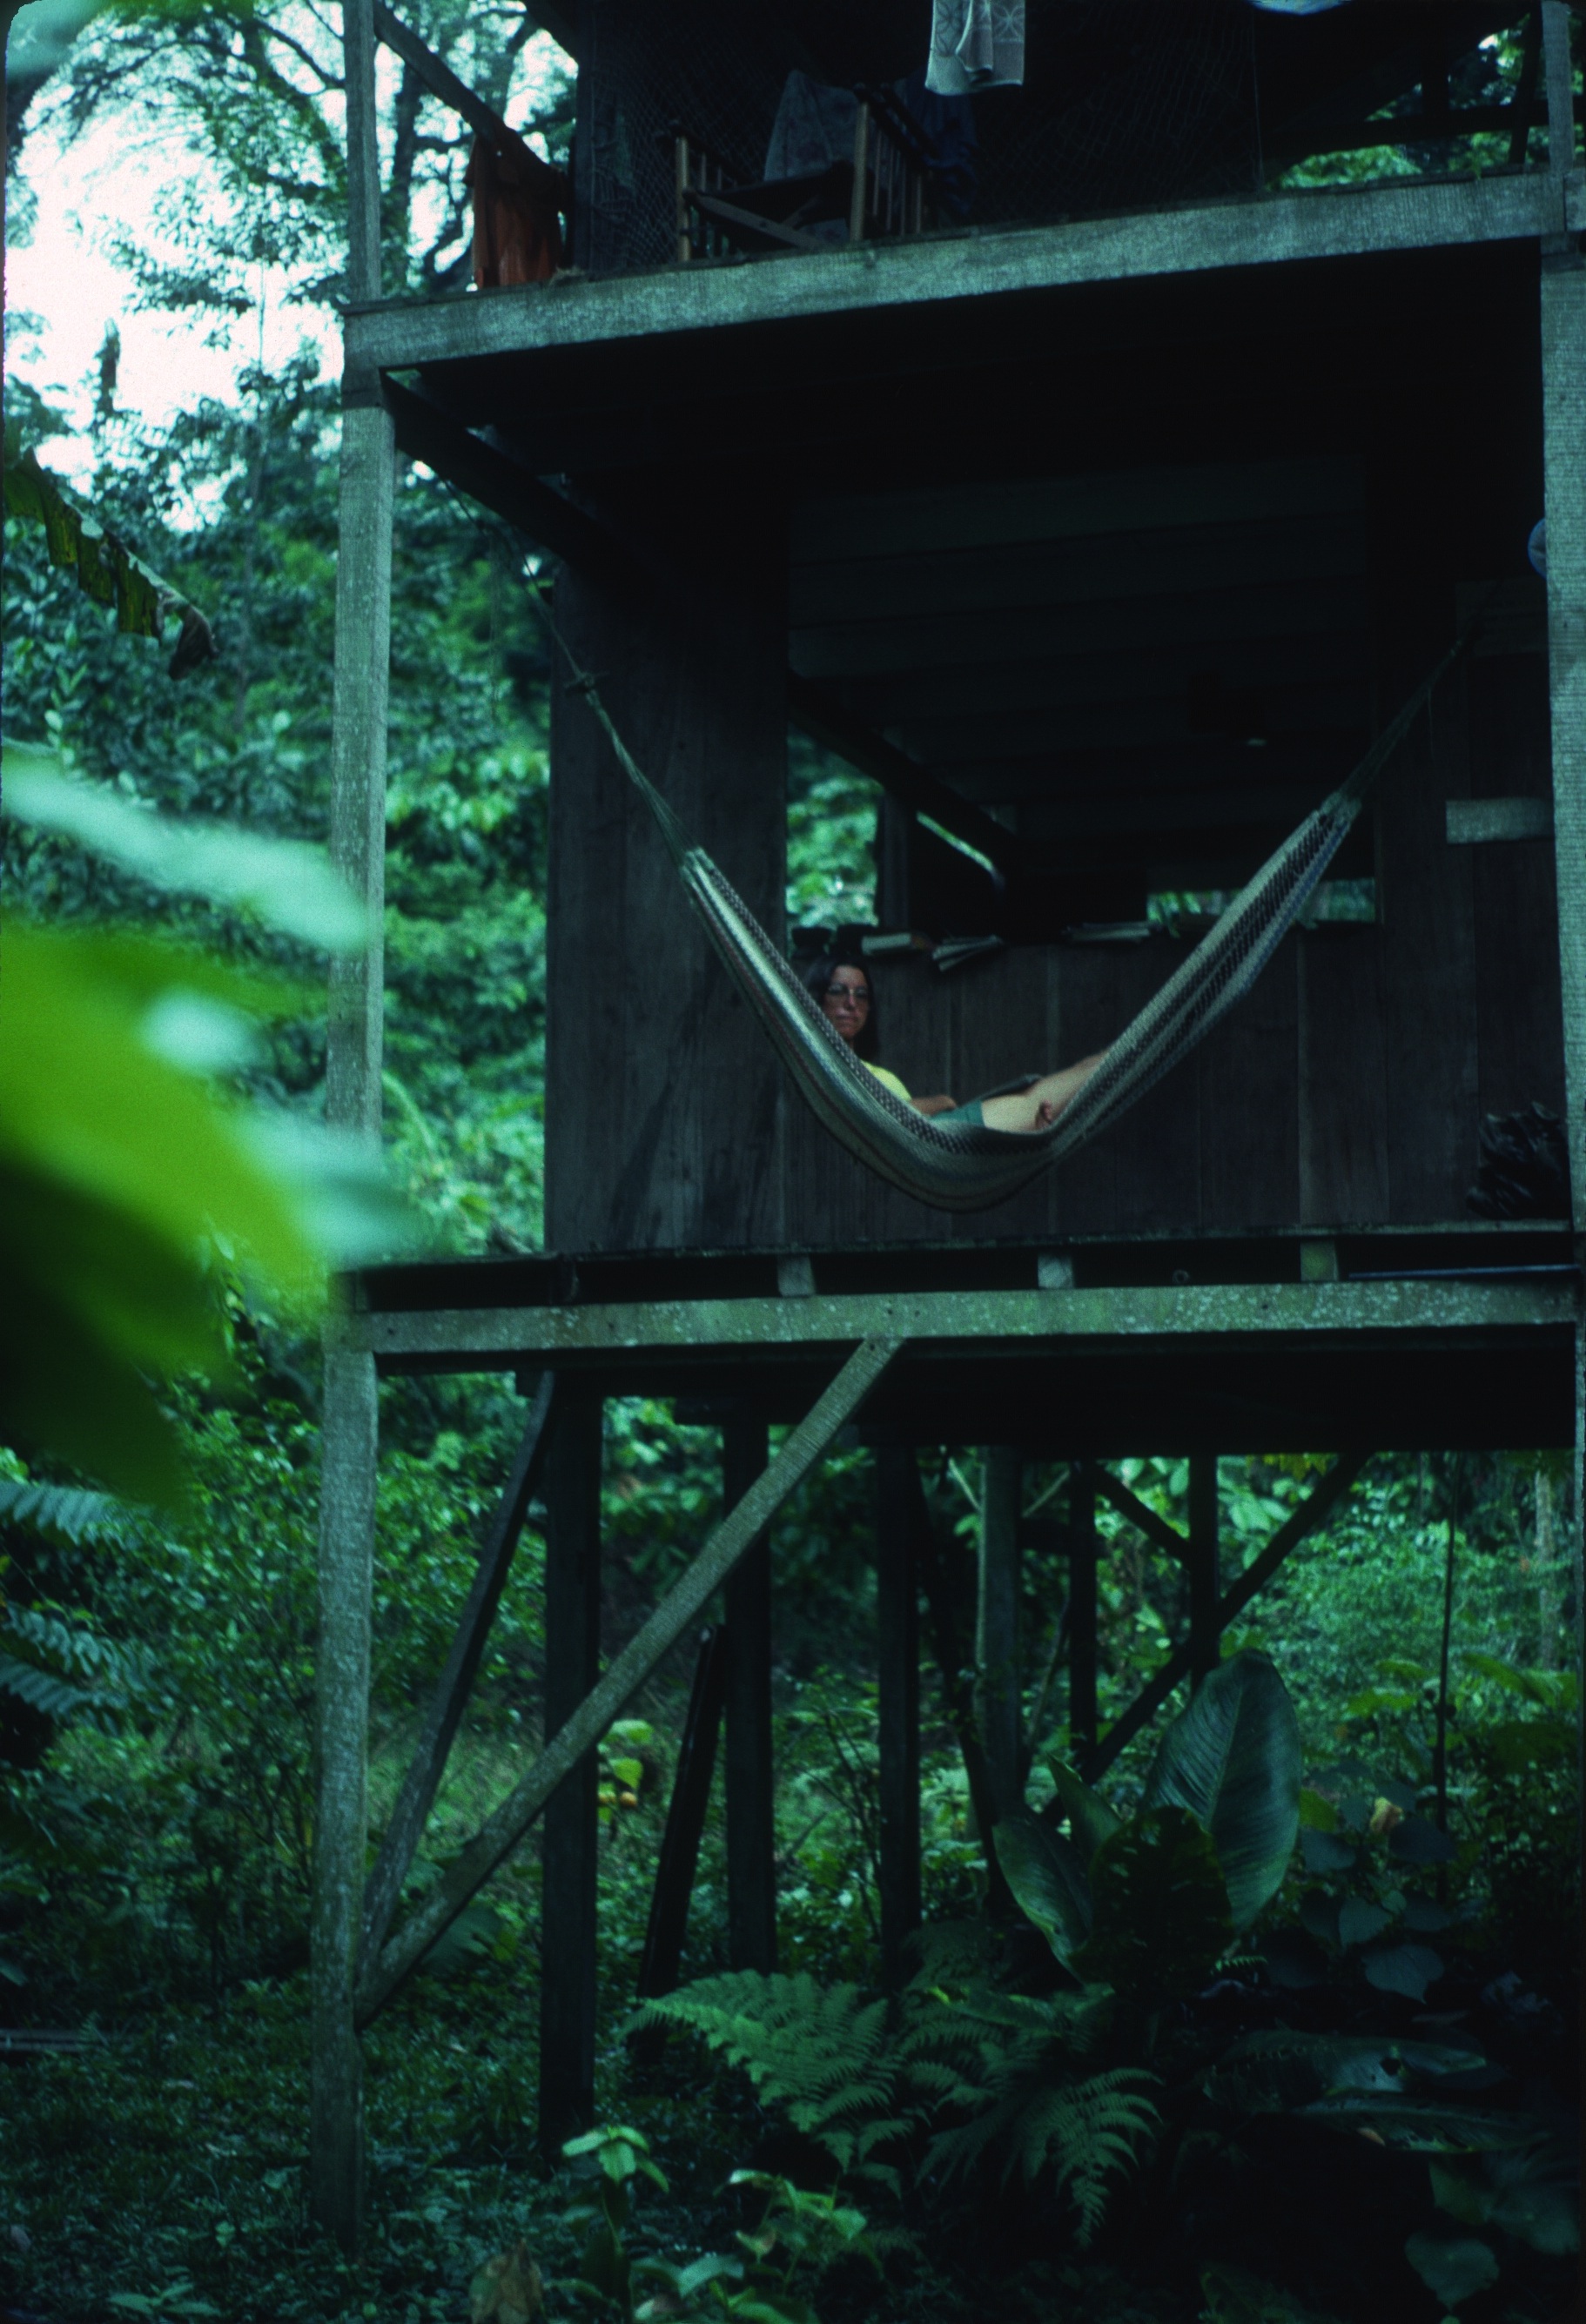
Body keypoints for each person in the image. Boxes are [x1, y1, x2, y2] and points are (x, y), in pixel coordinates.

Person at [803, 954, 1104, 1134]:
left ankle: (1122, 1054)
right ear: (818, 999)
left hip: (941, 1137)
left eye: (861, 995)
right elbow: (884, 1114)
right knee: (1042, 1096)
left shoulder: (862, 1067)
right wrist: (942, 1102)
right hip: (941, 1134)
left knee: (1049, 1092)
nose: (851, 1004)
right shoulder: (829, 1064)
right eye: (838, 991)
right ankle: (1121, 1055)